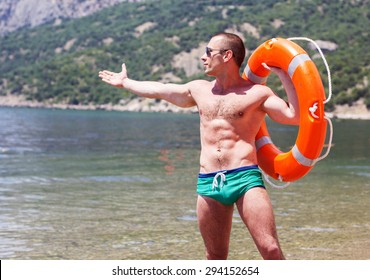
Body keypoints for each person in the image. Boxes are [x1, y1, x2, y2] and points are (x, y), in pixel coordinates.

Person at [98, 32, 299, 260]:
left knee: (270, 249)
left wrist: (285, 75)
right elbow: (161, 89)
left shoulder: (257, 93)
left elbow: (294, 116)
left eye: (208, 52)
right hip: (208, 181)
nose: (203, 57)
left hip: (244, 177)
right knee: (214, 257)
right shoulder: (199, 89)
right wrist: (125, 82)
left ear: (227, 56)